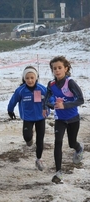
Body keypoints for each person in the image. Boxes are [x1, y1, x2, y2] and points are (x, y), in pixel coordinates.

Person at [44, 56, 84, 184]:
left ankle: (78, 148)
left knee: (72, 143)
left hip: (73, 118)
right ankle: (58, 172)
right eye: (54, 68)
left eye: (59, 68)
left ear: (66, 69)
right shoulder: (51, 84)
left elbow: (80, 99)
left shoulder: (70, 83)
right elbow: (47, 99)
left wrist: (64, 105)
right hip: (60, 119)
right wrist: (49, 106)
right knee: (58, 142)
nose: (57, 70)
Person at [7, 66, 48, 171]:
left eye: (32, 78)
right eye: (27, 78)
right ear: (24, 79)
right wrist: (10, 110)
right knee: (27, 137)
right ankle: (29, 139)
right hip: (28, 118)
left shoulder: (42, 89)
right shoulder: (21, 90)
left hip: (40, 117)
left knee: (40, 140)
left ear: (36, 78)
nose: (30, 80)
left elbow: (50, 99)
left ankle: (39, 159)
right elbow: (13, 100)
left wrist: (50, 107)